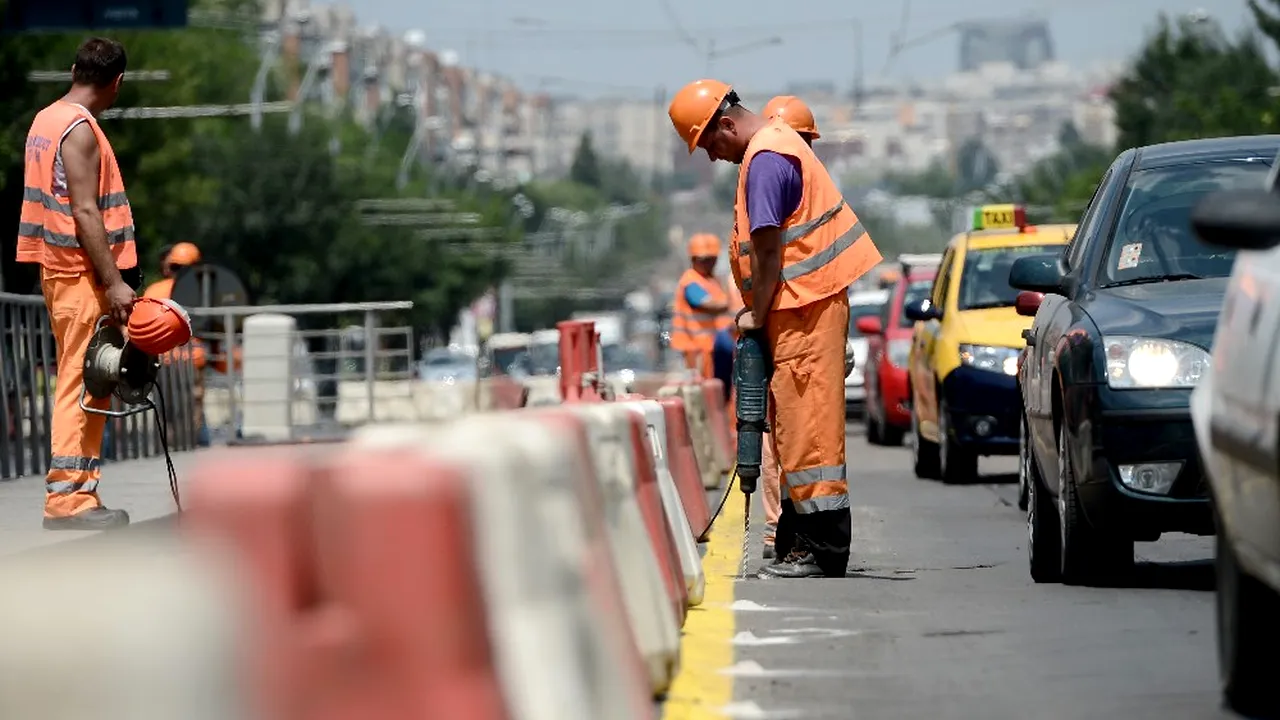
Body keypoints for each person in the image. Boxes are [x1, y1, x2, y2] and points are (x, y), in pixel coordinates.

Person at [668, 79, 882, 578]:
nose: (713, 158)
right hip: (803, 310)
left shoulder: (765, 159)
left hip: (802, 311)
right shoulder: (775, 148)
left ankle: (819, 546)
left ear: (726, 125)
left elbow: (767, 251)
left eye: (709, 145)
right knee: (793, 427)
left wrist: (757, 313)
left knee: (808, 432)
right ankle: (796, 540)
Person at [16, 37, 137, 530]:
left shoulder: (46, 119)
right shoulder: (81, 131)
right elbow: (86, 210)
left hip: (57, 268)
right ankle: (67, 499)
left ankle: (80, 492)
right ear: (117, 83)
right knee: (82, 380)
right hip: (81, 275)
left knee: (88, 377)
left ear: (73, 70)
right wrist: (114, 283)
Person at [756, 94, 821, 563]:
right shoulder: (779, 168)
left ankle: (791, 534)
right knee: (785, 439)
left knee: (794, 438)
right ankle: (783, 532)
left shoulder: (782, 171)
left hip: (796, 325)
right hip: (789, 325)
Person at [669, 233, 733, 379]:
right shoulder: (691, 281)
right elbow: (709, 305)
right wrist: (732, 302)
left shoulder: (711, 280)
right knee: (706, 391)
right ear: (694, 259)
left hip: (711, 347)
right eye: (704, 260)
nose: (708, 264)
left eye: (711, 259)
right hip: (696, 349)